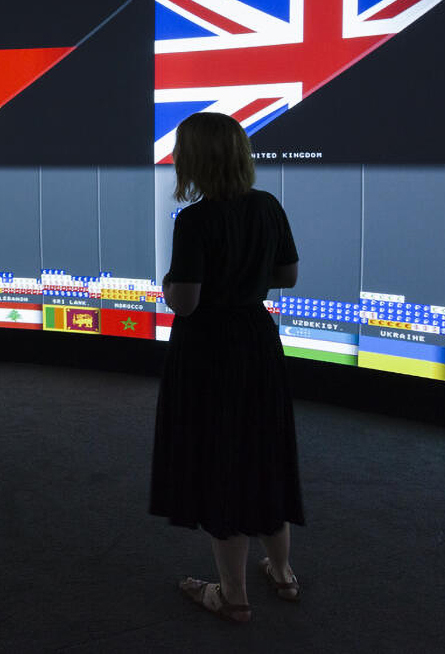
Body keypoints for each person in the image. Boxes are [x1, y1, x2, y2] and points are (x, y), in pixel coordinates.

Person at [149, 111, 303, 624]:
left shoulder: (195, 220)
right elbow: (287, 275)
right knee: (264, 452)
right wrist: (246, 276)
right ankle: (281, 574)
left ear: (193, 161)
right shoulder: (267, 206)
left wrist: (168, 286)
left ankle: (232, 596)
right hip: (258, 343)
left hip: (210, 350)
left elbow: (187, 302)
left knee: (222, 463)